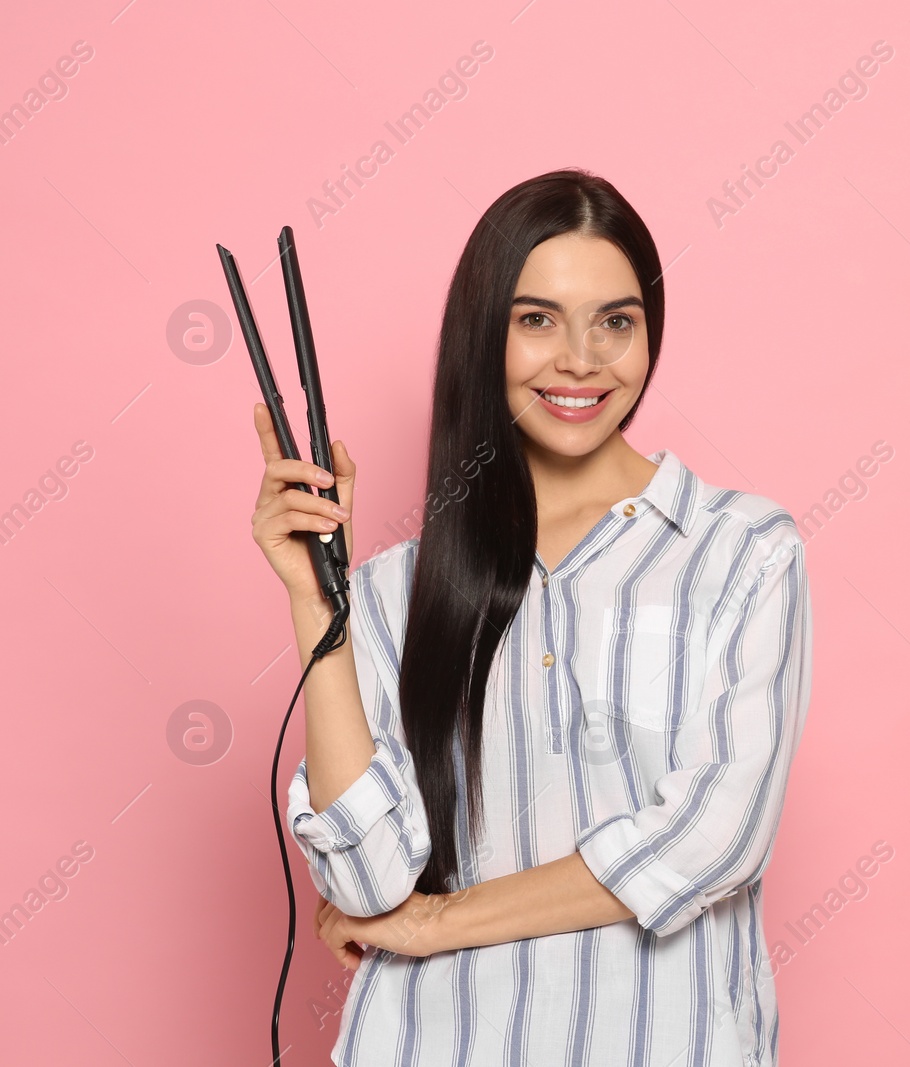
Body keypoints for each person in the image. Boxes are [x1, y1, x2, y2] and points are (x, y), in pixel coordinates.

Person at [248, 169, 813, 1066]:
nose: (582, 359)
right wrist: (320, 605)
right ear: (487, 336)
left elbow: (718, 835)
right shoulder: (395, 591)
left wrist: (440, 922)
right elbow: (362, 879)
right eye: (538, 318)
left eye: (616, 321)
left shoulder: (740, 550)